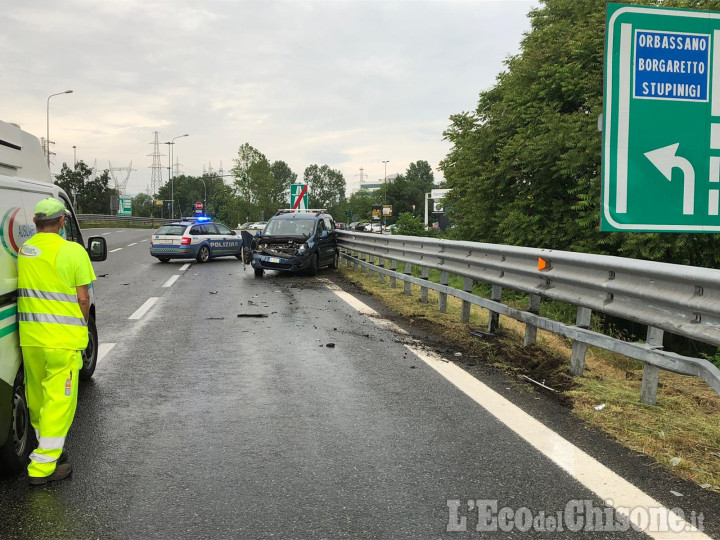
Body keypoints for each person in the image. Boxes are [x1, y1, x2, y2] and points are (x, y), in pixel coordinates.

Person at [17, 198, 96, 486]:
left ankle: (47, 448)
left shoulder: (26, 250)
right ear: (62, 221)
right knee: (59, 402)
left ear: (36, 223)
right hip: (62, 342)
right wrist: (82, 323)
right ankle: (43, 467)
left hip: (31, 339)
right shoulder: (72, 251)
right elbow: (83, 298)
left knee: (37, 397)